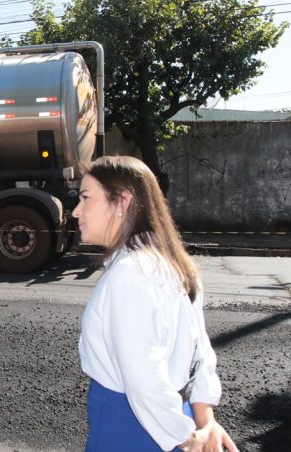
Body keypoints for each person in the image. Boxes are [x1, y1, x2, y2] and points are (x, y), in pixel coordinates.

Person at [72, 155, 238, 452]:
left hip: (132, 426)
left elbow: (144, 381)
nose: (76, 211)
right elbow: (201, 353)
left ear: (122, 201)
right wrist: (204, 422)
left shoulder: (129, 274)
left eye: (85, 198)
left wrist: (186, 440)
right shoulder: (173, 262)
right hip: (173, 414)